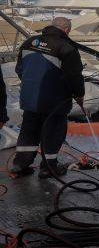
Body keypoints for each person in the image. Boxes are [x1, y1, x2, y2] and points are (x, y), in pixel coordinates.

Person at [10, 17, 85, 178]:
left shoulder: (30, 42)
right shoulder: (66, 48)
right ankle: (48, 167)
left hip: (29, 97)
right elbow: (74, 76)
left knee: (29, 129)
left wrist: (32, 84)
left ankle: (20, 165)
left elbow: (19, 69)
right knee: (53, 131)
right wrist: (79, 95)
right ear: (66, 30)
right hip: (55, 101)